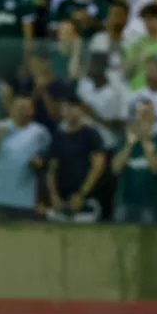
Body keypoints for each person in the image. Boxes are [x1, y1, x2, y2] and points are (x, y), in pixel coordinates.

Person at [0, 93, 52, 221]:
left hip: (28, 201)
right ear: (11, 109)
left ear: (33, 110)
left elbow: (49, 165)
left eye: (27, 107)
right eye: (19, 107)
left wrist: (40, 163)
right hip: (0, 199)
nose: (23, 111)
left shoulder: (41, 133)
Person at [45, 94, 106, 223]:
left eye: (73, 108)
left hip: (86, 202)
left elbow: (98, 167)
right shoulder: (58, 137)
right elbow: (51, 169)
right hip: (61, 203)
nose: (69, 112)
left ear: (80, 110)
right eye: (65, 108)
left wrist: (81, 194)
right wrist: (53, 195)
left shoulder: (91, 135)